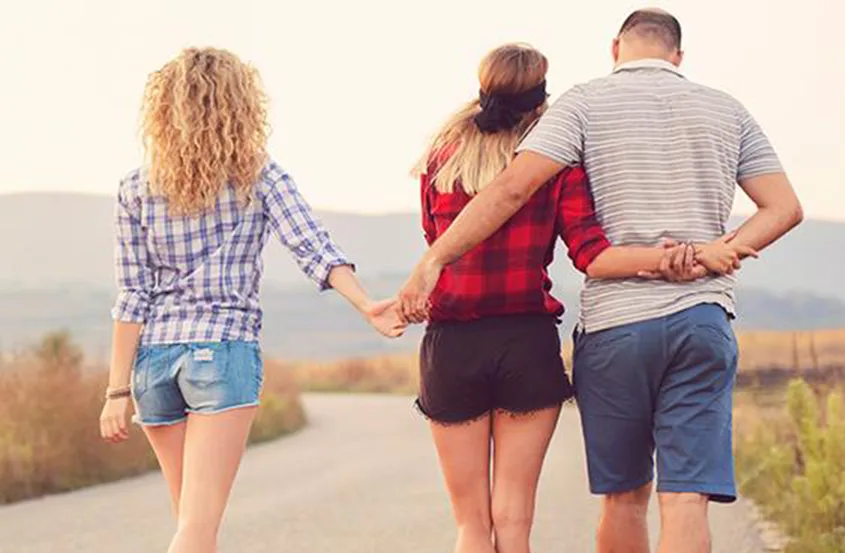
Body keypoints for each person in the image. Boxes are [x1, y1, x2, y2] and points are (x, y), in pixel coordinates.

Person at [399, 9, 803, 553]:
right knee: (682, 499)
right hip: (687, 319)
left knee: (615, 501)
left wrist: (434, 261)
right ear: (678, 56)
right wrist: (711, 254)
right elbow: (784, 208)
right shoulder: (725, 108)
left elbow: (509, 192)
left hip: (599, 328)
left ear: (615, 48)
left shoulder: (576, 107)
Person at [98, 47, 405, 553]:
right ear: (240, 107)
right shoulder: (260, 176)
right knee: (196, 529)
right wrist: (365, 303)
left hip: (152, 365)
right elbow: (313, 247)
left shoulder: (135, 186)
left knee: (193, 523)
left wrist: (116, 391)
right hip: (220, 352)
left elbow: (132, 294)